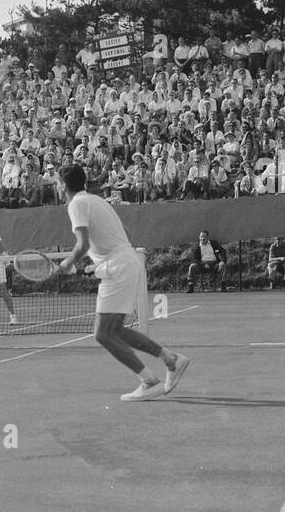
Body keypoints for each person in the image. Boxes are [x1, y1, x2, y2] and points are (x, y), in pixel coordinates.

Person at [56, 164, 189, 401]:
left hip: (119, 267)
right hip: (126, 262)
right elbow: (124, 233)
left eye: (57, 183)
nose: (57, 187)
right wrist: (99, 264)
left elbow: (83, 244)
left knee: (102, 334)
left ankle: (149, 381)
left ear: (63, 185)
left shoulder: (75, 204)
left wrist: (67, 264)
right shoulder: (97, 200)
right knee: (114, 330)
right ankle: (170, 360)